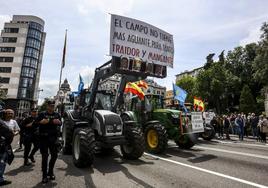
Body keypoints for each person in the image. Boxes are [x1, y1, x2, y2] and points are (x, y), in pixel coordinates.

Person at [37, 100, 61, 184]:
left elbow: (59, 123)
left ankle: (50, 172)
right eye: (50, 105)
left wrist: (58, 122)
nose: (52, 107)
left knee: (54, 155)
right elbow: (37, 122)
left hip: (53, 138)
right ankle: (44, 175)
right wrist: (46, 122)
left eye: (53, 106)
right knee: (45, 156)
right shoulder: (42, 114)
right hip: (43, 138)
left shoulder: (57, 114)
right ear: (47, 106)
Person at [0, 109, 14, 186]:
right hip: (2, 147)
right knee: (2, 163)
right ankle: (0, 180)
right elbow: (10, 133)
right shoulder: (1, 123)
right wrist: (7, 143)